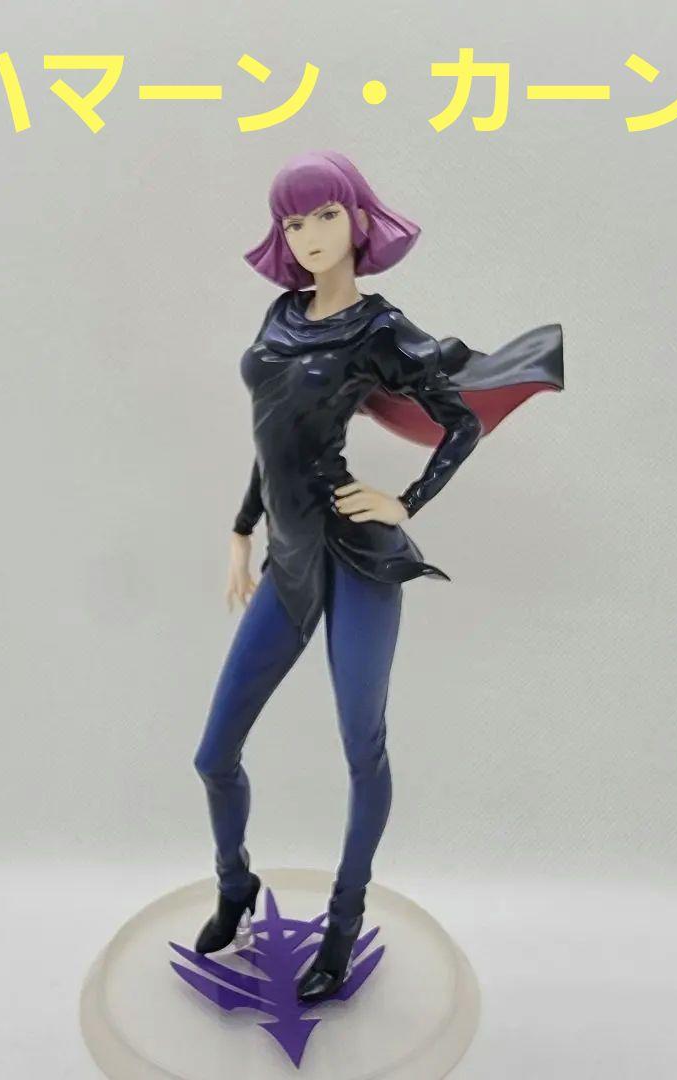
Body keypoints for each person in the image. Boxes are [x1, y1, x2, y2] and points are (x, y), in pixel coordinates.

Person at [192, 150, 564, 1004]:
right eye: (293, 221)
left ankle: (343, 922)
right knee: (214, 755)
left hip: (355, 558)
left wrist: (406, 501)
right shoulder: (282, 315)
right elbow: (274, 436)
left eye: (325, 215)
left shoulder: (380, 329)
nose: (308, 234)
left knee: (363, 748)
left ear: (359, 219)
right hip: (288, 562)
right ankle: (235, 886)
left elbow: (459, 424)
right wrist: (242, 530)